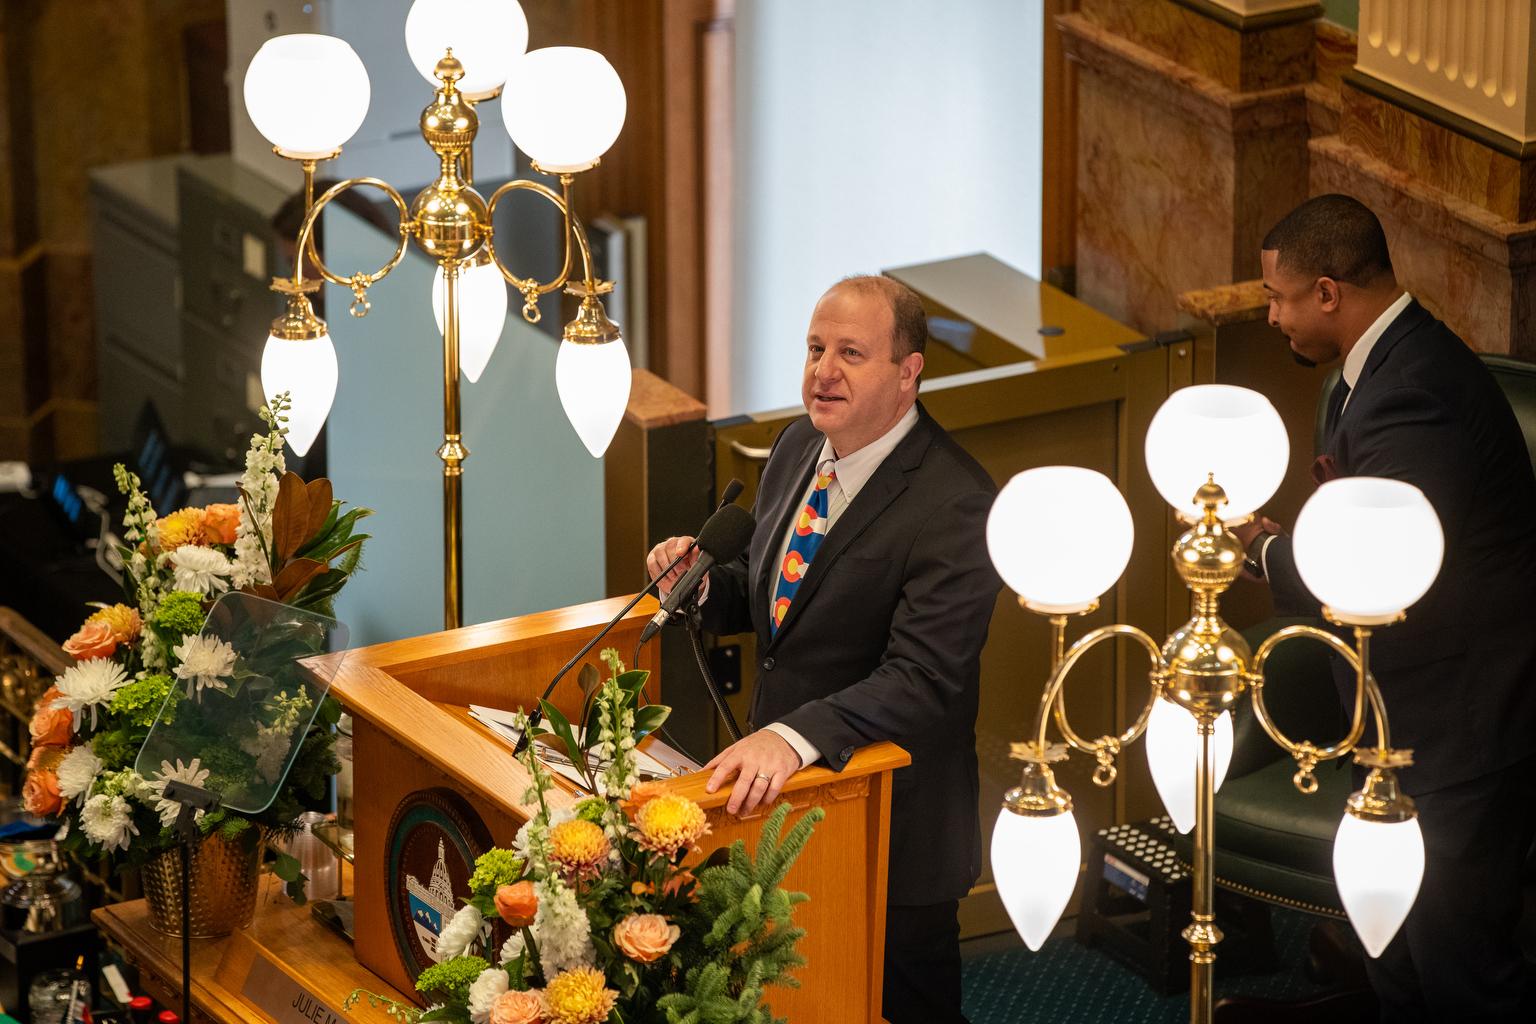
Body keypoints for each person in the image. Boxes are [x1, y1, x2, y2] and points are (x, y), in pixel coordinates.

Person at [646, 275, 999, 1024]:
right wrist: (706, 589)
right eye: (814, 349)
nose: (822, 371)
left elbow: (924, 678)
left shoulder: (958, 502)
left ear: (909, 373)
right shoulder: (800, 444)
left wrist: (791, 736)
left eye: (850, 353)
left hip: (892, 829)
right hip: (784, 805)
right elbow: (780, 601)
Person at [1236, 194, 1536, 1021]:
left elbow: (1377, 566)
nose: (1269, 315)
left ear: (1327, 292)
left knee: (1460, 969)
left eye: (1277, 296)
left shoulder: (1414, 393)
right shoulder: (1375, 369)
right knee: (1399, 958)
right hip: (1403, 721)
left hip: (1456, 733)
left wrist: (1262, 552)